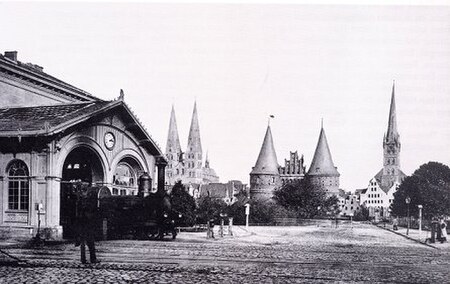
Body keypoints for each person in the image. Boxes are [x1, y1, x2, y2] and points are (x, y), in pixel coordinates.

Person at [75, 184, 100, 264]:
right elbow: (92, 210)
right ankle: (92, 259)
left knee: (83, 242)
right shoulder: (88, 200)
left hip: (81, 222)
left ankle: (84, 259)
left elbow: (77, 212)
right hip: (87, 222)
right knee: (90, 242)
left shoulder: (80, 200)